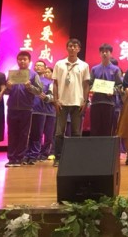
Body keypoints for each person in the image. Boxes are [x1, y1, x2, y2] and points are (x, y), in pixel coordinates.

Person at [52, 39, 90, 167]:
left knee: (76, 132)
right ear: (67, 48)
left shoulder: (84, 65)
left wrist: (85, 101)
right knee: (59, 132)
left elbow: (86, 84)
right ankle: (58, 158)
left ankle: (75, 158)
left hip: (77, 102)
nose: (72, 48)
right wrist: (55, 100)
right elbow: (55, 83)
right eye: (70, 46)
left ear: (79, 49)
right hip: (62, 102)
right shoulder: (59, 64)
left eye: (75, 46)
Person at [4, 51, 42, 167]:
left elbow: (39, 91)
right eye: (20, 59)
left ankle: (19, 158)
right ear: (17, 61)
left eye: (24, 59)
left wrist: (30, 87)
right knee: (12, 133)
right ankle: (11, 158)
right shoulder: (12, 74)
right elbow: (5, 92)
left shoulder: (33, 75)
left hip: (26, 109)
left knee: (24, 134)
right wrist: (8, 87)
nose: (22, 61)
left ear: (29, 61)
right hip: (12, 108)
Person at [89, 44, 123, 136]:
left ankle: (106, 146)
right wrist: (93, 88)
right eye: (102, 52)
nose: (104, 54)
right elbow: (90, 84)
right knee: (95, 129)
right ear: (100, 54)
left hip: (109, 103)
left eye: (107, 52)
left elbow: (120, 85)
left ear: (110, 54)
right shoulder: (94, 69)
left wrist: (113, 90)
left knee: (107, 129)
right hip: (96, 102)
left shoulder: (115, 69)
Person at [25, 60, 54, 164]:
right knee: (28, 134)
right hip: (28, 109)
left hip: (41, 111)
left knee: (38, 134)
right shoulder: (29, 80)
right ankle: (26, 154)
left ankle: (35, 154)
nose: (38, 67)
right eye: (36, 65)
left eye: (41, 66)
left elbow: (52, 96)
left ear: (45, 68)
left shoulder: (49, 82)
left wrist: (46, 97)